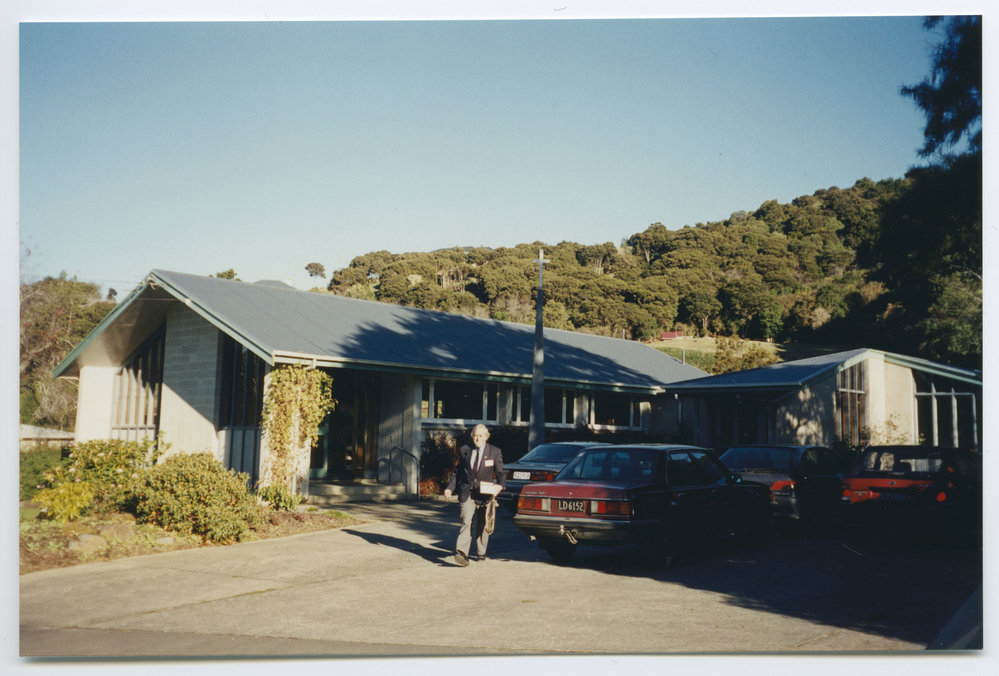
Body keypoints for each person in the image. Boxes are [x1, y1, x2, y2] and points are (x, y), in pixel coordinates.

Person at [444, 424, 505, 566]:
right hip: (468, 492)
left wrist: (500, 486)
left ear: (486, 437)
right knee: (466, 521)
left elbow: (501, 473)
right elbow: (458, 472)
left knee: (482, 524)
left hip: (485, 494)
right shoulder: (465, 450)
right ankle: (462, 553)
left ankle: (481, 551)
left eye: (480, 436)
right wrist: (450, 487)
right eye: (475, 435)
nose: (477, 438)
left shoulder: (494, 452)